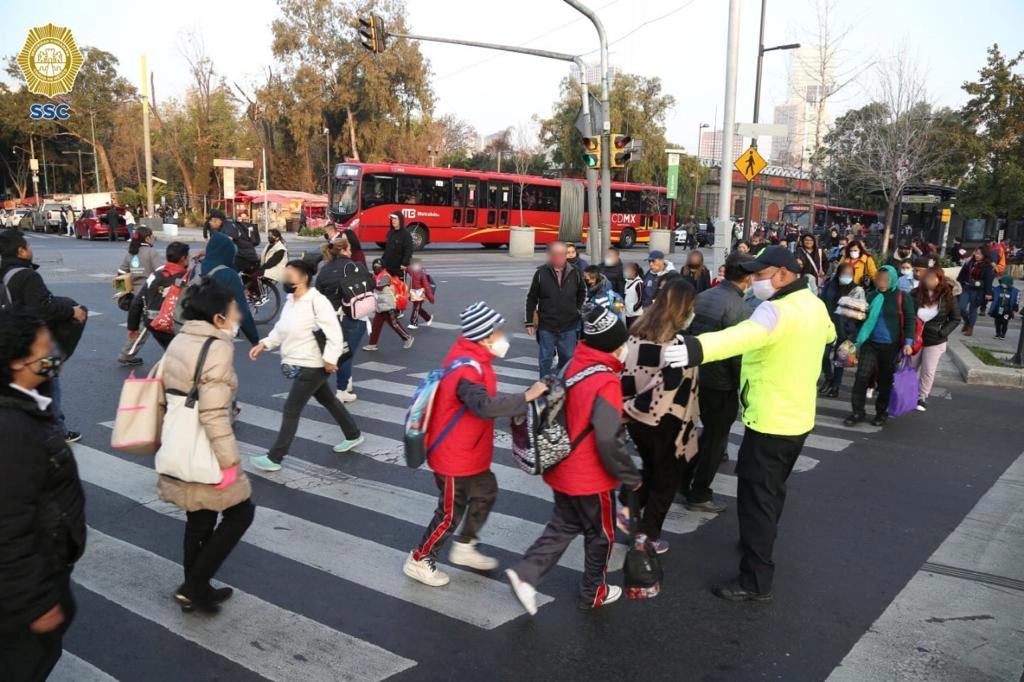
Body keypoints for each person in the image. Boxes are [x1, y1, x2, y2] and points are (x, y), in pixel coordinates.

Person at [669, 246, 836, 601]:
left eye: (760, 276)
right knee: (773, 490)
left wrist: (694, 348)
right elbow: (829, 336)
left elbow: (739, 336)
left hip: (770, 420)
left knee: (756, 498)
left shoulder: (774, 310)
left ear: (782, 274)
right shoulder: (813, 304)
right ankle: (759, 541)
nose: (753, 282)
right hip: (799, 417)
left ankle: (755, 579)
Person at [507, 304, 641, 615]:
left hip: (561, 465)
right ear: (614, 345)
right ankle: (594, 590)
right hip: (589, 476)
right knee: (601, 534)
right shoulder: (606, 381)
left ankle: (527, 573)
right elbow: (607, 438)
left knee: (564, 524)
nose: (625, 349)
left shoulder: (573, 364)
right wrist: (630, 476)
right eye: (623, 343)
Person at [404, 303, 548, 586]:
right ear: (483, 337)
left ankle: (465, 546)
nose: (503, 337)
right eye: (498, 332)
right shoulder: (467, 370)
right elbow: (483, 405)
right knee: (449, 514)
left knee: (486, 492)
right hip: (454, 457)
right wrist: (525, 397)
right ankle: (420, 558)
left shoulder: (476, 360)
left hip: (470, 453)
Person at [159, 281, 254, 613]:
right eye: (233, 311)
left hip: (179, 441)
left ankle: (196, 589)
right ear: (217, 317)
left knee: (199, 518)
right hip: (206, 447)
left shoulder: (180, 339)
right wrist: (230, 463)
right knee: (241, 512)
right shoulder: (216, 347)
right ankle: (194, 586)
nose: (237, 316)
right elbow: (213, 413)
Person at [0, 310, 86, 680]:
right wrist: (35, 603)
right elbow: (7, 527)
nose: (53, 353)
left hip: (43, 569)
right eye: (44, 348)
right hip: (25, 594)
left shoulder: (28, 400)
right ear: (17, 361)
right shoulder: (12, 430)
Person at [249, 260, 363, 472]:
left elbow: (334, 333)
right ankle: (353, 434)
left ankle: (275, 457)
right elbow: (281, 329)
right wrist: (264, 343)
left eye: (290, 273)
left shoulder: (317, 301)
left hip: (313, 363)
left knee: (291, 409)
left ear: (303, 278)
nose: (286, 277)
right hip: (299, 362)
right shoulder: (291, 300)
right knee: (328, 400)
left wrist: (330, 358)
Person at [620, 281, 701, 552]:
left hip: (635, 418)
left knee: (651, 469)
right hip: (666, 421)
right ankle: (648, 536)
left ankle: (630, 509)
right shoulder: (678, 347)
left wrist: (629, 409)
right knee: (666, 480)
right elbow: (670, 391)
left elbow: (626, 377)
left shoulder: (635, 334)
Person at [684, 252, 755, 513]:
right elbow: (738, 356)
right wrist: (743, 389)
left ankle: (684, 481)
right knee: (716, 440)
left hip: (695, 374)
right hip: (721, 382)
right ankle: (699, 493)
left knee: (700, 434)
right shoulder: (741, 309)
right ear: (747, 277)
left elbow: (686, 333)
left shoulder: (703, 297)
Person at [0, 229, 87, 443]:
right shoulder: (27, 275)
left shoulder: (5, 274)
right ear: (21, 251)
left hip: (10, 343)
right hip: (34, 347)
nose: (31, 249)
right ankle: (57, 430)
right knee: (51, 381)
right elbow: (43, 308)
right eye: (28, 246)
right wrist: (71, 310)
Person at [845, 266, 916, 427]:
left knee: (885, 381)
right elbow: (861, 319)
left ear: (892, 279)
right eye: (879, 279)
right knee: (862, 376)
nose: (882, 282)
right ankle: (858, 412)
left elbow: (910, 320)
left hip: (891, 345)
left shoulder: (901, 297)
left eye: (885, 279)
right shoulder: (871, 295)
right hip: (870, 343)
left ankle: (881, 413)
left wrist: (908, 343)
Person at [315, 236, 375, 403]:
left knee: (340, 352)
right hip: (352, 316)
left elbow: (319, 294)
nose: (351, 252)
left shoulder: (324, 270)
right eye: (349, 249)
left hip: (331, 317)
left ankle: (346, 384)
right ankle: (342, 389)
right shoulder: (354, 267)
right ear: (343, 250)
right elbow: (370, 284)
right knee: (346, 354)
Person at [525, 241, 586, 377]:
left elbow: (582, 292)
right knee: (545, 358)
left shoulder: (575, 272)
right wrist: (529, 321)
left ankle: (561, 384)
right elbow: (532, 298)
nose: (558, 257)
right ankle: (544, 387)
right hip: (547, 325)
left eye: (561, 254)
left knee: (568, 357)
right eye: (555, 254)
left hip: (568, 325)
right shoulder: (541, 273)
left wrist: (577, 310)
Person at [126, 241, 190, 351]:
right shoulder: (185, 278)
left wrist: (133, 327)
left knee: (172, 351)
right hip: (171, 324)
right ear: (183, 258)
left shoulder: (157, 274)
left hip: (152, 323)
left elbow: (137, 301)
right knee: (180, 354)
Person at [199, 232, 260, 347]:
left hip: (196, 331)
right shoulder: (228, 274)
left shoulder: (202, 267)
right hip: (216, 335)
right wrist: (254, 339)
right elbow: (242, 310)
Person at [912, 268, 961, 411]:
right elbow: (906, 312)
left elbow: (955, 318)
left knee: (928, 370)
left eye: (934, 278)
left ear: (940, 280)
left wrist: (942, 332)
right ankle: (905, 393)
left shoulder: (947, 296)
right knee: (910, 368)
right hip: (915, 337)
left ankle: (921, 397)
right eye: (928, 278)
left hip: (935, 340)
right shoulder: (915, 293)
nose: (930, 281)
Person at [117, 226, 162, 366]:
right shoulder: (152, 253)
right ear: (147, 237)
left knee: (140, 326)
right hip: (149, 295)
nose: (153, 237)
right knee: (145, 327)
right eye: (152, 235)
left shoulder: (130, 253)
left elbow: (120, 274)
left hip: (135, 295)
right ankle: (126, 354)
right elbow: (160, 274)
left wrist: (124, 293)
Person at [818, 262, 865, 397]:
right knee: (823, 356)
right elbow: (821, 302)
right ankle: (828, 377)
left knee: (841, 360)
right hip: (828, 327)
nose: (847, 276)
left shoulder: (857, 290)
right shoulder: (830, 286)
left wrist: (853, 331)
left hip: (847, 331)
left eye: (850, 274)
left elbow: (860, 313)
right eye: (844, 274)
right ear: (838, 274)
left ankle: (836, 387)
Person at [364, 258, 415, 351]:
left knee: (394, 324)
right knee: (376, 325)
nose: (376, 268)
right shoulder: (377, 275)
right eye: (375, 266)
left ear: (382, 267)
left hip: (388, 304)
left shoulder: (385, 276)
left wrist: (369, 282)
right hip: (380, 305)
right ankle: (372, 344)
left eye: (378, 266)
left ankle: (408, 337)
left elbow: (379, 287)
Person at [956, 247, 995, 336]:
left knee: (973, 309)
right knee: (961, 307)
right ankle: (967, 322)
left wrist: (988, 293)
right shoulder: (970, 262)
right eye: (976, 253)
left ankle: (970, 328)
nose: (977, 255)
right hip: (966, 287)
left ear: (984, 255)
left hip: (978, 290)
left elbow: (988, 280)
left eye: (980, 254)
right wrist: (958, 284)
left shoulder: (987, 266)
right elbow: (962, 274)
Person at [381, 212, 413, 277]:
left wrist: (404, 263)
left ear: (400, 220)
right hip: (388, 266)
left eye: (395, 219)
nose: (393, 221)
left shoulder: (406, 234)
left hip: (399, 268)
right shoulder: (390, 232)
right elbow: (387, 249)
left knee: (398, 286)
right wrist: (382, 261)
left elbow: (408, 250)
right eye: (392, 219)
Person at [406, 258, 435, 329]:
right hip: (414, 291)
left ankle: (414, 323)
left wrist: (431, 298)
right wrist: (405, 268)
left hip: (419, 292)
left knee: (416, 308)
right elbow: (408, 269)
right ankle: (428, 318)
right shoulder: (413, 270)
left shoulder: (421, 273)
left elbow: (426, 286)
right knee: (418, 308)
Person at [989, 274, 1019, 340]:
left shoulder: (1014, 291)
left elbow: (1016, 300)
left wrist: (1015, 309)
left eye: (1004, 283)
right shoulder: (997, 289)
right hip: (998, 309)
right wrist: (990, 297)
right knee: (997, 321)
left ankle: (1003, 334)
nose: (1003, 284)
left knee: (1005, 321)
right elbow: (993, 297)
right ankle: (997, 333)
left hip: (1007, 310)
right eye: (1002, 282)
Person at [623, 262, 645, 328]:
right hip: (628, 314)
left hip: (636, 316)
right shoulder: (627, 282)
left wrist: (634, 308)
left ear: (634, 272)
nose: (625, 272)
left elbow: (641, 298)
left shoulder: (639, 283)